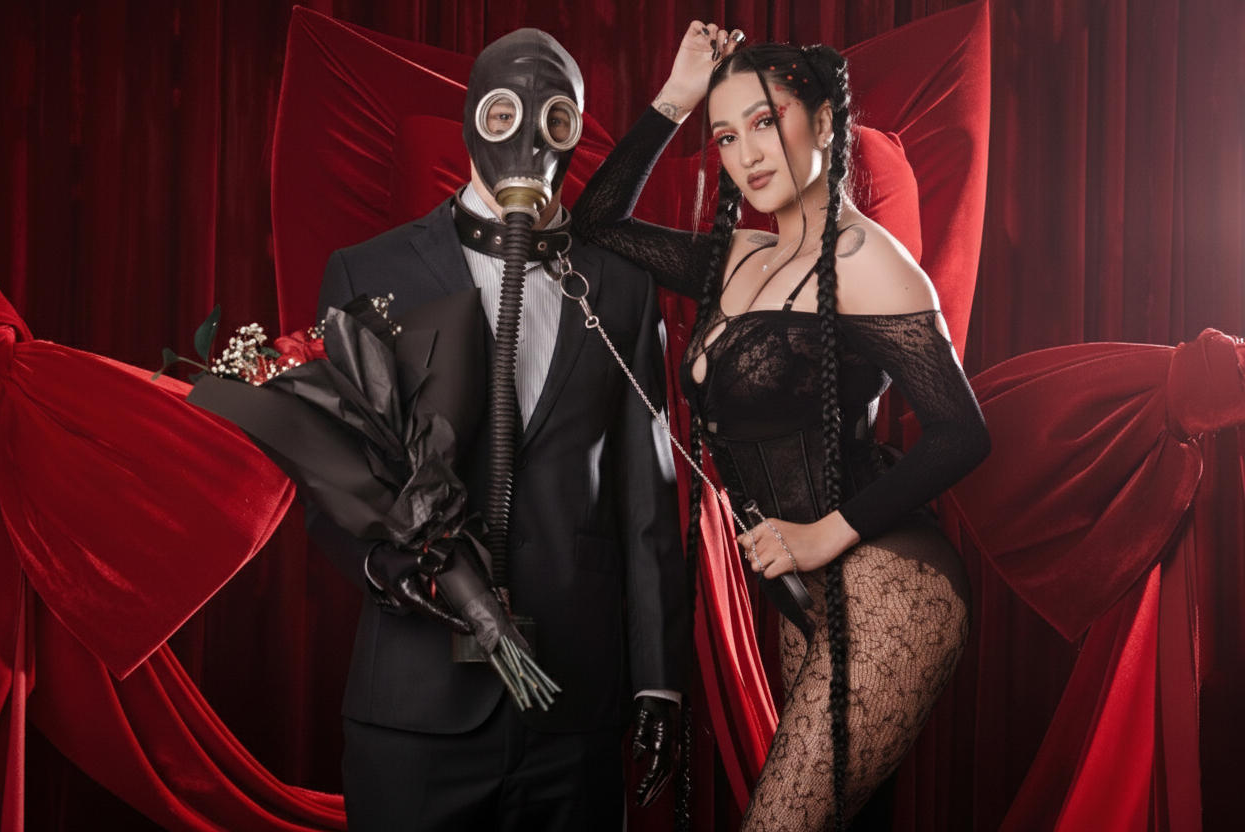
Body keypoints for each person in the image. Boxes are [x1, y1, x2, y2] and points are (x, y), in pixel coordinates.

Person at [572, 21, 991, 830]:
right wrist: (676, 97)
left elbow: (961, 432)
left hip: (889, 585)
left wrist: (822, 536)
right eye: (727, 136)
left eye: (765, 122)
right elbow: (597, 225)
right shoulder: (738, 257)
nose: (746, 153)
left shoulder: (867, 261)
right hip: (804, 599)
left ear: (825, 121)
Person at [303, 28, 689, 831]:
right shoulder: (370, 271)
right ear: (473, 118)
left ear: (575, 133)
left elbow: (646, 502)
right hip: (415, 710)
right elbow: (332, 480)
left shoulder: (619, 288)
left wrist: (658, 680)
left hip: (573, 714)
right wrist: (389, 569)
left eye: (556, 120)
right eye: (506, 113)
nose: (529, 143)